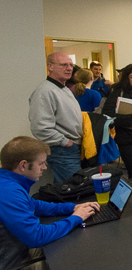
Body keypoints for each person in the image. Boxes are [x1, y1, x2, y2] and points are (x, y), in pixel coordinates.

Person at [0, 136, 99, 270]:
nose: (45, 167)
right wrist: (74, 219)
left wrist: (72, 208)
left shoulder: (8, 182)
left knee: (64, 244)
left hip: (12, 252)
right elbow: (36, 236)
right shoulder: (8, 192)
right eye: (41, 163)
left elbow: (36, 206)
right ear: (23, 165)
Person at [29, 52, 84, 183]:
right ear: (50, 67)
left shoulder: (62, 89)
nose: (69, 68)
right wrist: (65, 142)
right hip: (62, 150)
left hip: (71, 148)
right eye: (63, 65)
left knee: (65, 187)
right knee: (73, 189)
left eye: (71, 65)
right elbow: (40, 128)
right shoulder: (45, 91)